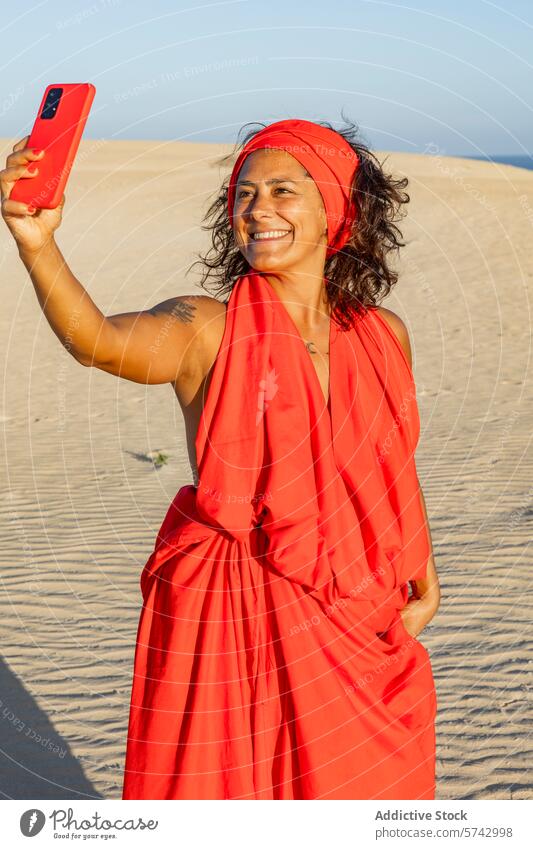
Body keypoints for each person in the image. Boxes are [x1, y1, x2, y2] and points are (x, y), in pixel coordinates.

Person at [1, 117, 440, 800]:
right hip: (235, 616)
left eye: (283, 191)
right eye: (244, 193)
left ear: (338, 209)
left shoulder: (383, 334)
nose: (257, 209)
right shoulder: (206, 327)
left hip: (355, 614)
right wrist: (38, 244)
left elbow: (390, 461)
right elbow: (95, 340)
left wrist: (421, 563)